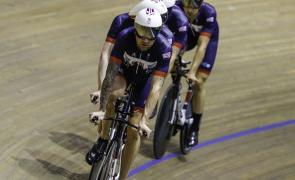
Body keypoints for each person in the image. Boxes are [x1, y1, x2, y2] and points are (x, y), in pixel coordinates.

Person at [86, 8, 172, 180]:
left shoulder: (164, 47)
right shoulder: (125, 36)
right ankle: (103, 139)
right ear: (135, 28)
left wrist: (144, 121)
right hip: (124, 73)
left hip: (146, 81)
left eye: (151, 33)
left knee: (134, 130)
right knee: (114, 94)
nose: (145, 39)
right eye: (141, 32)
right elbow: (110, 75)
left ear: (159, 31)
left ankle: (123, 177)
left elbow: (156, 88)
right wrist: (102, 110)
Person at [90, 0, 173, 106]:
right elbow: (106, 54)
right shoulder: (121, 21)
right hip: (126, 62)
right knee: (111, 96)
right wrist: (101, 88)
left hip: (147, 66)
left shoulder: (165, 34)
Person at [176, 0, 219, 147]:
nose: (188, 9)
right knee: (172, 56)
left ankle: (194, 129)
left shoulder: (209, 13)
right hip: (187, 34)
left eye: (192, 6)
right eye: (186, 4)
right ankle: (173, 93)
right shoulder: (177, 6)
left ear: (200, 5)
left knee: (199, 81)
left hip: (207, 39)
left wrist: (193, 72)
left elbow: (202, 46)